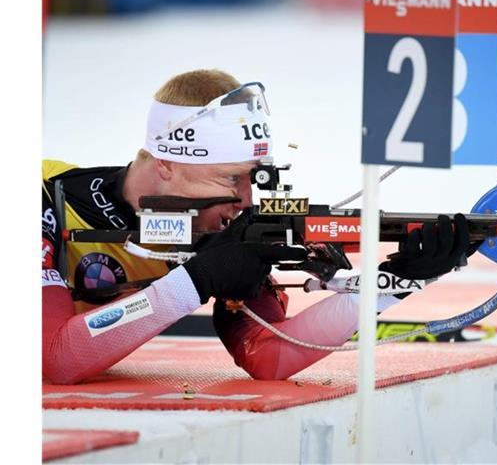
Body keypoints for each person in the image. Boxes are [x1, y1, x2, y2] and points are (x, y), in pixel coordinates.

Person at [42, 68, 469, 384]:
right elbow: (55, 359)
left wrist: (392, 284)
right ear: (167, 165)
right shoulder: (39, 200)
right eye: (231, 179)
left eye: (256, 178)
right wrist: (195, 282)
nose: (247, 200)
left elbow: (270, 357)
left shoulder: (216, 226)